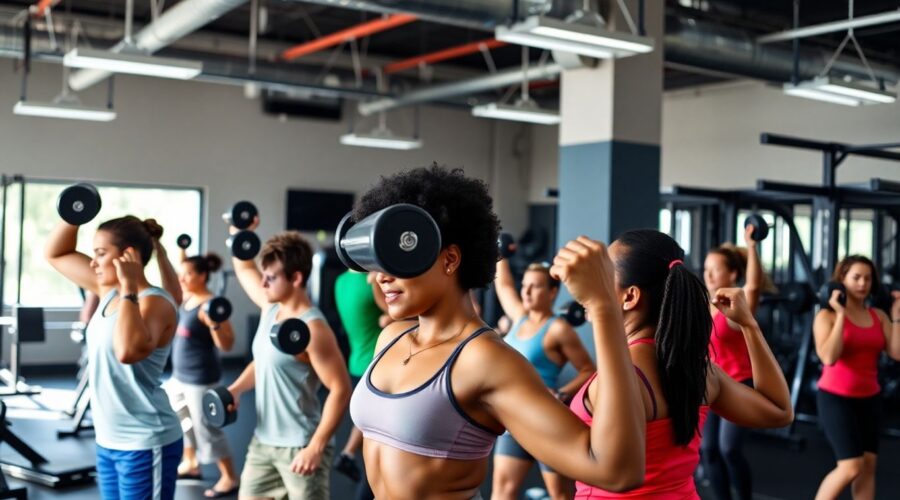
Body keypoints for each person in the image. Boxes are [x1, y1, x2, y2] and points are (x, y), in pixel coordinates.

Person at [349, 165, 647, 500]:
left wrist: (604, 306)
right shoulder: (392, 338)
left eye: (397, 258)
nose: (380, 277)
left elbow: (617, 471)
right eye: (379, 262)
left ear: (449, 259)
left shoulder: (484, 360)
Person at [567, 229, 793, 498]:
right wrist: (750, 326)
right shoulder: (702, 371)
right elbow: (780, 411)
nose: (594, 282)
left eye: (603, 275)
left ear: (630, 297)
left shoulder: (620, 379)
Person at [45, 216, 182, 499]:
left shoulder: (155, 302)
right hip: (108, 440)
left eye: (100, 253)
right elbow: (56, 254)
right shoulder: (109, 292)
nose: (93, 262)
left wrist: (129, 287)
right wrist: (73, 215)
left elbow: (128, 351)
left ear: (127, 256)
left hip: (145, 442)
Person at [225, 216, 351, 500]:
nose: (263, 283)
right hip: (262, 442)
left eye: (271, 277)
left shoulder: (313, 329)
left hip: (300, 445)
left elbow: (341, 389)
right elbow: (264, 364)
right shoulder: (271, 308)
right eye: (264, 276)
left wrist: (316, 447)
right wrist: (239, 231)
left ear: (296, 278)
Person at [491, 259, 594, 500]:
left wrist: (560, 395)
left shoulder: (559, 329)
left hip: (545, 420)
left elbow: (589, 370)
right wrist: (503, 252)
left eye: (535, 286)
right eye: (525, 285)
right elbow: (504, 285)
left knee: (561, 495)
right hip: (513, 419)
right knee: (501, 493)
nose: (526, 291)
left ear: (552, 292)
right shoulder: (519, 318)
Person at [813, 256, 900, 500]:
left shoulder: (878, 316)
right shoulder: (826, 317)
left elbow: (896, 352)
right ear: (842, 280)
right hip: (836, 399)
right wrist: (841, 314)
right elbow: (829, 357)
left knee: (868, 467)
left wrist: (895, 314)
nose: (863, 283)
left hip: (870, 399)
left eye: (868, 278)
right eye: (856, 278)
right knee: (851, 466)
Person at [161, 248, 239, 498]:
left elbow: (227, 344)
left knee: (207, 431)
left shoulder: (211, 305)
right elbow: (181, 269)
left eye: (187, 275)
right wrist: (182, 250)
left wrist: (214, 324)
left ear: (203, 276)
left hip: (201, 379)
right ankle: (191, 464)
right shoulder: (187, 298)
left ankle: (229, 477)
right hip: (179, 377)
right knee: (183, 424)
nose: (182, 279)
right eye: (181, 274)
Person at [701, 224, 768, 500]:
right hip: (710, 385)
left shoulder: (734, 307)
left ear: (732, 274)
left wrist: (751, 245)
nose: (708, 274)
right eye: (706, 268)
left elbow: (753, 286)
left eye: (715, 269)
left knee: (729, 449)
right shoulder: (703, 304)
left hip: (739, 384)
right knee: (707, 451)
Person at [332, 270, 386, 500]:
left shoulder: (340, 281)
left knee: (368, 425)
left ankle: (347, 453)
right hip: (376, 363)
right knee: (379, 441)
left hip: (356, 362)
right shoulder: (371, 283)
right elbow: (392, 312)